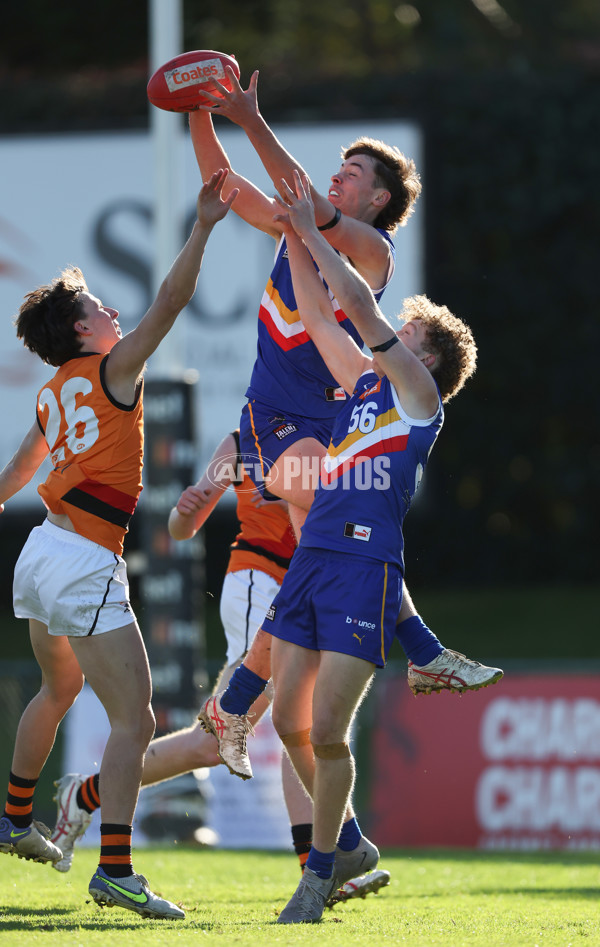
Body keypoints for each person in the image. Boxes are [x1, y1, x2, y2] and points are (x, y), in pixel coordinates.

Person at [209, 172, 499, 923]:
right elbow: (314, 309)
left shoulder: (418, 396)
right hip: (313, 558)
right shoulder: (363, 384)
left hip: (365, 565)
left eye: (411, 336)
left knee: (330, 732)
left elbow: (361, 309)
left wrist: (311, 228)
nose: (395, 337)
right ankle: (419, 660)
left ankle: (317, 874)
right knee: (287, 720)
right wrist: (294, 235)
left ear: (427, 358)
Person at [185, 65, 497, 693]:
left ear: (378, 200)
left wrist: (248, 118)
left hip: (328, 419)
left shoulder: (371, 250)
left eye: (352, 173)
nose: (336, 176)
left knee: (331, 537)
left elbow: (305, 204)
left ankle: (235, 708)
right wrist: (197, 112)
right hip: (277, 418)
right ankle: (420, 649)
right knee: (342, 519)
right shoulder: (299, 227)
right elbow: (228, 189)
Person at [0, 169, 238, 920]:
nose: (111, 309)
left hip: (40, 551)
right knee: (138, 720)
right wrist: (202, 227)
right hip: (81, 560)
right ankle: (116, 870)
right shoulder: (112, 368)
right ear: (81, 330)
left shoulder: (53, 389)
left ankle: (13, 817)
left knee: (58, 688)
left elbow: (20, 468)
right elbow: (171, 302)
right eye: (98, 306)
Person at [49, 429, 391, 901]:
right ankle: (325, 867)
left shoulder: (336, 428)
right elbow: (179, 528)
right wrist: (185, 510)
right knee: (299, 719)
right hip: (260, 581)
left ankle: (86, 794)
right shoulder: (240, 443)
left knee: (214, 745)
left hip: (307, 586)